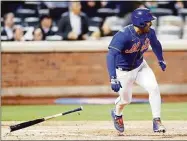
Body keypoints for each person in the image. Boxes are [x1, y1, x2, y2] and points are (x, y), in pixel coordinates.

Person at [106, 8, 166, 134]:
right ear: (141, 23)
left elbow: (155, 44)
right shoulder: (123, 35)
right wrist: (113, 77)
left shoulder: (149, 33)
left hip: (140, 66)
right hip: (123, 71)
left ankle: (157, 120)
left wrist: (160, 59)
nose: (151, 23)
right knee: (126, 100)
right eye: (148, 21)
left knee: (154, 87)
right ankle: (117, 114)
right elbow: (111, 55)